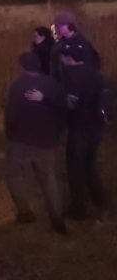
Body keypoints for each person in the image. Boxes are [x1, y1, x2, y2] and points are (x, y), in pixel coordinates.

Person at [5, 52, 67, 234]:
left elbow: (11, 115)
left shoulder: (17, 86)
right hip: (46, 141)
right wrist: (57, 135)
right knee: (49, 179)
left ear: (23, 67)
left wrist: (10, 133)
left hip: (21, 140)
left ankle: (24, 212)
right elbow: (62, 110)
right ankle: (57, 218)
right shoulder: (52, 84)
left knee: (15, 176)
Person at [59, 40, 110, 220]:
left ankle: (78, 208)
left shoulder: (73, 76)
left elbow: (70, 103)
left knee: (75, 169)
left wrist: (54, 103)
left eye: (64, 56)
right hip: (96, 129)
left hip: (79, 129)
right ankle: (102, 200)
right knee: (90, 166)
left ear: (69, 58)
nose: (62, 59)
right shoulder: (97, 74)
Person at [49, 12, 100, 82]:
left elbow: (92, 63)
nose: (58, 29)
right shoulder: (59, 44)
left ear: (69, 26)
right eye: (57, 26)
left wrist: (74, 64)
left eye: (60, 26)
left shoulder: (82, 43)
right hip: (61, 82)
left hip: (78, 83)